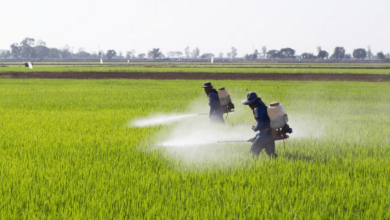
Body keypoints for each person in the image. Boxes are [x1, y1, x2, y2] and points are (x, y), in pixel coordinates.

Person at [241, 92, 277, 158]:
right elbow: (264, 126)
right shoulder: (264, 107)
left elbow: (261, 123)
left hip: (263, 136)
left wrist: (255, 128)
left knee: (253, 153)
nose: (249, 106)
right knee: (272, 156)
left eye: (250, 104)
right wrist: (255, 138)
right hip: (270, 136)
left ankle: (253, 166)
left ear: (253, 103)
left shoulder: (257, 109)